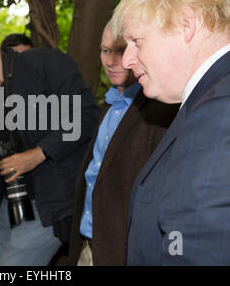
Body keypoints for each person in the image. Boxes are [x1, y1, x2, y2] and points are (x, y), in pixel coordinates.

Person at [111, 0, 230, 265]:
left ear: (187, 24)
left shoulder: (224, 109)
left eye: (136, 41)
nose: (126, 60)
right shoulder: (220, 93)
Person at [0, 20, 100, 266]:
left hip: (52, 200)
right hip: (9, 201)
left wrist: (39, 153)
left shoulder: (46, 64)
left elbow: (86, 116)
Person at [67, 21, 178, 266]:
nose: (111, 60)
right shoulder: (108, 105)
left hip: (123, 253)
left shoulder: (161, 111)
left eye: (120, 50)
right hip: (86, 243)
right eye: (105, 51)